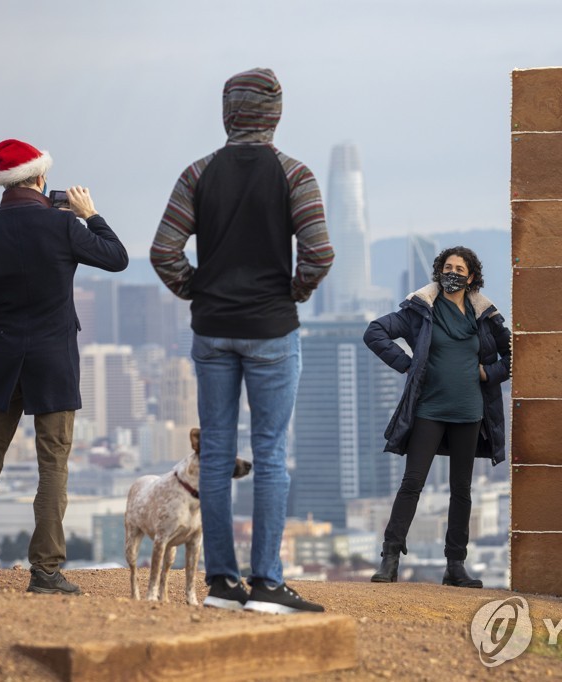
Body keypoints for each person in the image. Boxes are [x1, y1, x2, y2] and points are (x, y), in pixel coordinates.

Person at [151, 68, 334, 614]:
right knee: (271, 454)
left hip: (212, 330)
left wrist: (199, 290)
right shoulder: (294, 175)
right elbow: (320, 253)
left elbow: (164, 251)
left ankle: (223, 586)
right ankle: (269, 585)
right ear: (275, 114)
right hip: (272, 328)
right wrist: (292, 293)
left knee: (216, 456)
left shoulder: (198, 174)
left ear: (227, 113)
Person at [0, 139, 129, 594]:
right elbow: (117, 258)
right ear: (38, 179)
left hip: (3, 360)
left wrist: (8, 322)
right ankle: (46, 572)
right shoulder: (63, 226)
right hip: (54, 360)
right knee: (52, 464)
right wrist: (89, 213)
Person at [363, 246, 511, 588]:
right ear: (438, 271)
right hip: (428, 410)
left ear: (471, 277)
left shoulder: (485, 316)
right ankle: (390, 558)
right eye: (448, 267)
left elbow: (514, 355)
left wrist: (490, 373)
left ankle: (455, 566)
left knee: (462, 489)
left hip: (470, 413)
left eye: (460, 268)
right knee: (412, 483)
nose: (453, 272)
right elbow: (375, 332)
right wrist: (407, 365)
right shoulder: (421, 310)